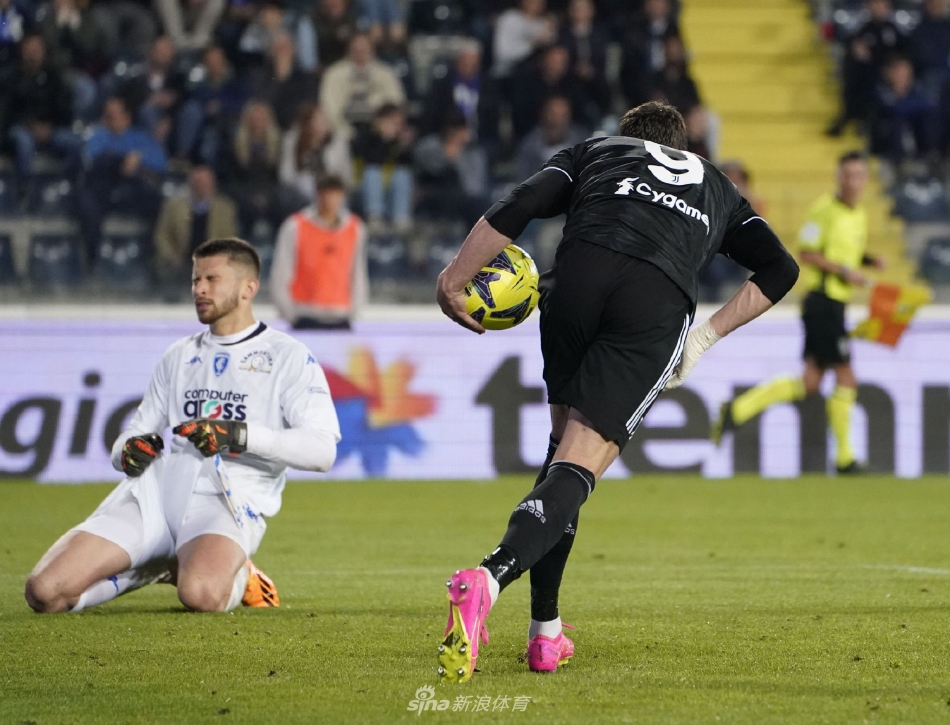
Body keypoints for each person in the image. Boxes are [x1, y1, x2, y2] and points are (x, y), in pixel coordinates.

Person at [434, 101, 799, 681]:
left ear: (630, 137)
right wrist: (702, 338)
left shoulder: (597, 150)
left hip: (574, 282)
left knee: (560, 458)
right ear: (682, 146)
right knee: (579, 464)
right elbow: (781, 269)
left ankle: (545, 632)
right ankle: (489, 577)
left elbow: (520, 203)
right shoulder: (717, 185)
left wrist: (454, 278)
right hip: (652, 297)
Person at [24, 237, 341, 614]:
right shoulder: (178, 355)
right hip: (158, 493)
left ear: (248, 288)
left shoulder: (289, 357)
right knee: (44, 593)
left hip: (228, 498)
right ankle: (159, 566)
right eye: (195, 280)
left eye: (212, 279)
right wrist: (128, 451)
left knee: (201, 596)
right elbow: (133, 433)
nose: (199, 289)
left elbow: (322, 451)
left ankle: (241, 575)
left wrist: (236, 435)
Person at [711, 152, 886, 474]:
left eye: (858, 176)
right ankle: (845, 459)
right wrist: (845, 272)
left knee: (810, 382)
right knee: (846, 376)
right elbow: (807, 253)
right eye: (847, 175)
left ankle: (738, 409)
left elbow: (844, 250)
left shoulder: (858, 214)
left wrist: (868, 260)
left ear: (864, 180)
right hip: (822, 303)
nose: (852, 182)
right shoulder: (823, 210)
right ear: (838, 177)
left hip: (835, 305)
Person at [77, 96, 167, 268]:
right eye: (107, 116)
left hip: (131, 190)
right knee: (87, 205)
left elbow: (161, 162)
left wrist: (139, 158)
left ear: (127, 117)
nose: (110, 120)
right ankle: (92, 262)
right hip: (103, 189)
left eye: (114, 115)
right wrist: (123, 159)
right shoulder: (98, 135)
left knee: (156, 199)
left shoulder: (140, 137)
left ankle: (151, 258)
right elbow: (89, 159)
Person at [271, 174, 368, 329]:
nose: (330, 199)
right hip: (304, 313)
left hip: (340, 315)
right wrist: (290, 313)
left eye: (335, 194)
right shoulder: (295, 226)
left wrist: (354, 312)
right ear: (318, 195)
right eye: (326, 194)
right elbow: (282, 270)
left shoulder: (355, 228)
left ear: (342, 196)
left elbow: (357, 271)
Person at [1, 34, 81, 201]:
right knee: (24, 142)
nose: (33, 53)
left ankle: (68, 186)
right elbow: (7, 112)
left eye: (37, 49)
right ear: (22, 51)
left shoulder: (53, 78)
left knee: (74, 143)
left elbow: (64, 109)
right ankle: (24, 190)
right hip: (20, 128)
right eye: (29, 49)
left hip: (50, 129)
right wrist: (29, 125)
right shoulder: (12, 77)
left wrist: (50, 127)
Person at [154, 165, 239, 289]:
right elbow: (162, 235)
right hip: (180, 261)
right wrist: (170, 256)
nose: (203, 187)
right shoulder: (174, 207)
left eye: (207, 183)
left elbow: (231, 239)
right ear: (191, 184)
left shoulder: (225, 209)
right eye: (199, 183)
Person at [319, 32, 405, 137]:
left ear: (372, 50)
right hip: (342, 130)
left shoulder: (385, 73)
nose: (360, 51)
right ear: (349, 50)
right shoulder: (334, 73)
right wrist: (343, 130)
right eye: (356, 48)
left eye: (364, 48)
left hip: (379, 129)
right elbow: (328, 107)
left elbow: (395, 103)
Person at [351, 102, 414, 233]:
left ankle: (400, 218)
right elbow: (372, 160)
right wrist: (383, 139)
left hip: (389, 193)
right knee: (372, 172)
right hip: (362, 192)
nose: (397, 128)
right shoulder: (366, 136)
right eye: (393, 123)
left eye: (399, 124)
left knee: (402, 175)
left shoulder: (398, 142)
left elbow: (407, 165)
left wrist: (403, 147)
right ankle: (375, 216)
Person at [279, 104, 353, 201]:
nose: (325, 124)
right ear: (309, 123)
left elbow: (346, 174)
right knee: (306, 182)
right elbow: (285, 175)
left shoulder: (338, 142)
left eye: (325, 120)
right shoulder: (293, 140)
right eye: (319, 121)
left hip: (331, 186)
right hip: (301, 189)